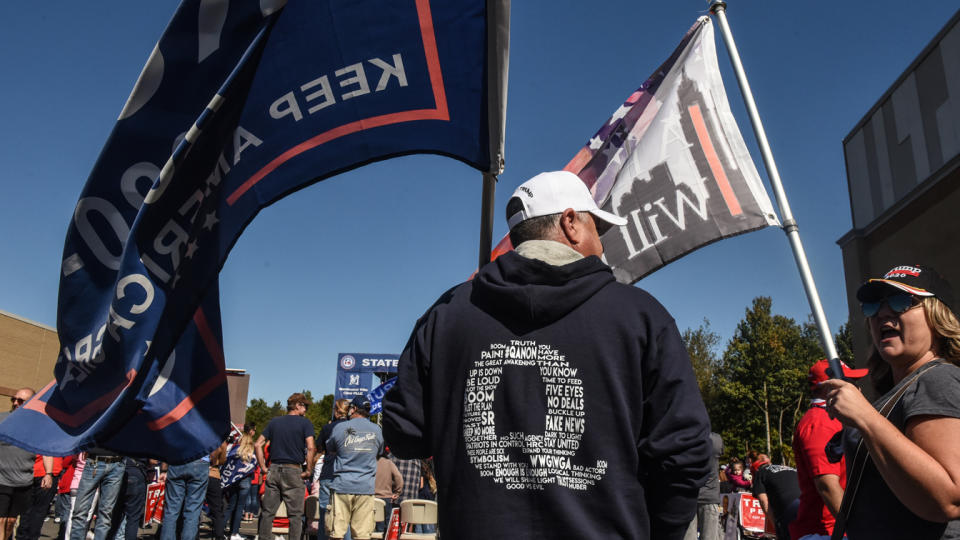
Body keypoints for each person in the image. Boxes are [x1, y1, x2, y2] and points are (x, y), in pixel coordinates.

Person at [383, 170, 712, 539]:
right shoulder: (640, 316)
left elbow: (405, 432)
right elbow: (685, 453)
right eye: (596, 231)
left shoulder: (447, 314)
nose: (602, 247)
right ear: (570, 223)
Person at [821, 264, 960, 539]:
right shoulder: (900, 390)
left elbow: (947, 500)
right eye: (873, 305)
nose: (883, 313)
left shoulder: (937, 379)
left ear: (937, 315)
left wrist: (865, 418)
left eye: (901, 301)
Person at [791, 359, 866, 540]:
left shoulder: (830, 418)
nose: (858, 388)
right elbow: (827, 485)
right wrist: (860, 531)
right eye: (851, 382)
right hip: (826, 533)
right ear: (828, 387)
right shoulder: (821, 421)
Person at [256, 392, 316, 540]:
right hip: (294, 470)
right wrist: (308, 469)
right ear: (297, 405)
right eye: (304, 406)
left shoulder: (274, 422)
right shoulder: (305, 423)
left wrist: (263, 467)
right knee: (295, 515)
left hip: (274, 469)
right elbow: (310, 447)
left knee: (268, 512)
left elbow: (257, 444)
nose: (306, 410)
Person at [325, 396, 384, 540]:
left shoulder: (340, 427)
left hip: (342, 486)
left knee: (336, 533)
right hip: (365, 487)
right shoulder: (377, 430)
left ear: (354, 409)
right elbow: (379, 453)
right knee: (362, 535)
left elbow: (330, 449)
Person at [0, 389, 38, 540]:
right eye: (14, 399)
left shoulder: (38, 426)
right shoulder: (2, 419)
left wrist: (48, 473)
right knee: (1, 519)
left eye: (20, 401)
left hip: (23, 481)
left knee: (11, 521)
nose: (15, 403)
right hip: (1, 479)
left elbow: (48, 448)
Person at [317, 399, 350, 540]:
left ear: (336, 411)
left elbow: (320, 448)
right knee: (345, 514)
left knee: (325, 512)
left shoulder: (327, 428)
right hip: (346, 473)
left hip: (328, 471)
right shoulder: (352, 428)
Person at [158, 456, 209, 540]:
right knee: (192, 511)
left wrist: (164, 470)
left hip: (177, 460)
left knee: (171, 510)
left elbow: (167, 446)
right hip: (200, 461)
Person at [684, 432, 723, 540]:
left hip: (689, 494)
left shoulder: (686, 437)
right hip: (710, 495)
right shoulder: (715, 439)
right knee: (710, 536)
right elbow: (720, 452)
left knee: (688, 536)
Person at [750, 455, 799, 540]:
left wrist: (776, 526)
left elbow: (763, 501)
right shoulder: (788, 468)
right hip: (807, 503)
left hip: (789, 508)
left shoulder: (760, 472)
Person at [223, 431, 257, 540]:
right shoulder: (252, 454)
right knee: (240, 507)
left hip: (233, 481)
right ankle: (234, 533)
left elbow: (227, 464)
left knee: (230, 506)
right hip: (245, 482)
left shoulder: (235, 451)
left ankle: (220, 529)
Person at [373, 453, 402, 533]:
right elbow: (398, 477)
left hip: (371, 497)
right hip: (386, 498)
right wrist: (397, 492)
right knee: (385, 528)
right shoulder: (389, 463)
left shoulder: (370, 461)